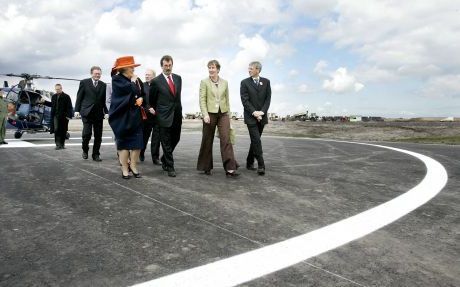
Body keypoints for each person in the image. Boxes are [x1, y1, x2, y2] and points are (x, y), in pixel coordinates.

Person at [197, 60, 239, 177]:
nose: (211, 69)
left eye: (213, 67)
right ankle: (206, 166)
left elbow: (227, 100)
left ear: (218, 69)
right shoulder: (204, 82)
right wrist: (205, 114)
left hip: (223, 113)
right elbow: (202, 99)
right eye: (209, 67)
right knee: (207, 139)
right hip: (209, 114)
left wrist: (229, 117)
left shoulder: (225, 83)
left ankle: (230, 168)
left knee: (226, 139)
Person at [108, 56, 144, 179]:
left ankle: (133, 166)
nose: (133, 69)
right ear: (124, 69)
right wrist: (134, 82)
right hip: (121, 117)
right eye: (131, 67)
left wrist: (141, 98)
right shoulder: (117, 79)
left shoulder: (134, 79)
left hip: (135, 116)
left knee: (137, 143)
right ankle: (124, 169)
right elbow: (130, 90)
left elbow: (140, 92)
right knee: (123, 144)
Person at [149, 55, 182, 177]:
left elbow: (176, 98)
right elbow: (152, 100)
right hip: (163, 116)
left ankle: (164, 159)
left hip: (177, 115)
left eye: (170, 65)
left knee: (176, 138)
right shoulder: (156, 81)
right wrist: (157, 112)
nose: (168, 68)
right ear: (161, 66)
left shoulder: (178, 79)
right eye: (165, 65)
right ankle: (170, 166)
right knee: (166, 142)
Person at [240, 61, 271, 176]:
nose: (249, 70)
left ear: (257, 70)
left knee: (255, 141)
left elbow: (268, 99)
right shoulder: (244, 83)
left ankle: (249, 162)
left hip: (262, 117)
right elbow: (245, 100)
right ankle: (261, 165)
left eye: (251, 68)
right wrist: (254, 113)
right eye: (248, 68)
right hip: (251, 117)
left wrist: (262, 112)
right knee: (257, 140)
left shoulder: (266, 82)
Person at [74, 66, 108, 161]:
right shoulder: (84, 82)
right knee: (87, 134)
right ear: (91, 73)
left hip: (98, 114)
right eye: (96, 73)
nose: (97, 75)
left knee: (98, 136)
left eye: (99, 73)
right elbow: (79, 97)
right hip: (87, 113)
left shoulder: (103, 85)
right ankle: (85, 150)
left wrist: (106, 112)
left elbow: (104, 100)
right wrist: (76, 110)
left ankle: (96, 154)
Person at [141, 68, 161, 165]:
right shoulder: (142, 86)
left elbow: (161, 100)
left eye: (149, 75)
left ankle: (155, 158)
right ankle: (141, 153)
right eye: (146, 75)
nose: (146, 76)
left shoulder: (158, 86)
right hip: (146, 116)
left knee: (156, 138)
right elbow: (141, 101)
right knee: (144, 137)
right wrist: (149, 108)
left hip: (157, 116)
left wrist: (156, 110)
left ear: (154, 76)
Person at [50, 84, 73, 149]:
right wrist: (44, 102)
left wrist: (69, 116)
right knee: (56, 129)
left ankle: (62, 145)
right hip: (55, 116)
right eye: (56, 89)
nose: (57, 90)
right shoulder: (54, 96)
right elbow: (51, 105)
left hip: (64, 116)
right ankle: (57, 145)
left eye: (58, 89)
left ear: (61, 88)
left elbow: (69, 107)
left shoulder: (66, 96)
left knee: (63, 131)